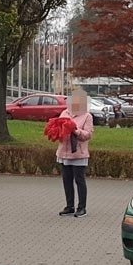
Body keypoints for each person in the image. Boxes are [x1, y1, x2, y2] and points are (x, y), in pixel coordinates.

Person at [55, 90, 94, 218]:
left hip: (78, 153)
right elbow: (59, 130)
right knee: (67, 180)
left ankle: (82, 207)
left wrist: (75, 130)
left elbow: (88, 135)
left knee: (79, 180)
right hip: (64, 152)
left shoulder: (87, 116)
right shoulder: (64, 113)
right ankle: (69, 206)